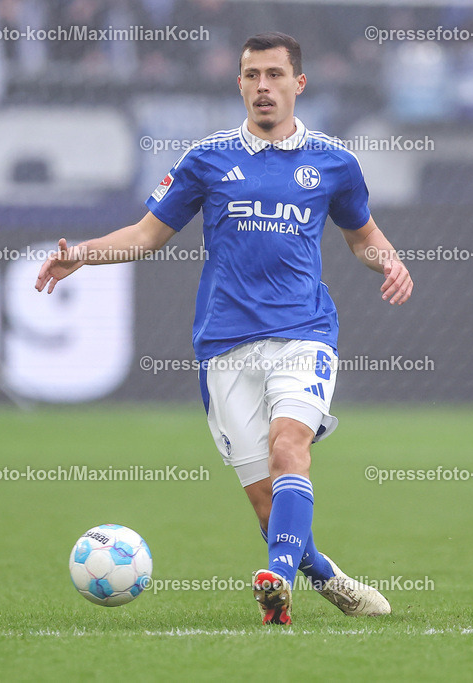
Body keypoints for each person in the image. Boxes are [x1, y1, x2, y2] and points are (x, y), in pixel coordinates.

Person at [36, 31, 412, 625]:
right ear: (239, 83)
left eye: (275, 75)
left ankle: (278, 581)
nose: (263, 86)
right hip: (224, 344)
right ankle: (322, 574)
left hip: (303, 331)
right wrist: (81, 253)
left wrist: (388, 261)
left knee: (291, 448)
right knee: (268, 510)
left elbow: (363, 235)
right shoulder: (206, 160)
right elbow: (144, 234)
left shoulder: (335, 163)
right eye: (252, 75)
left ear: (299, 83)